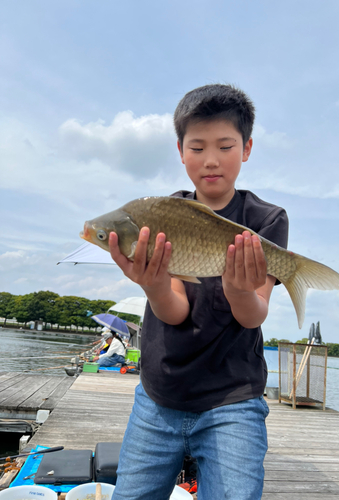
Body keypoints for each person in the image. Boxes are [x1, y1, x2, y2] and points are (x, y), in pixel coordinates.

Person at [109, 84, 289, 500]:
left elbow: (253, 315)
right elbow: (175, 311)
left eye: (225, 146)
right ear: (180, 151)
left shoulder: (266, 219)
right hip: (159, 393)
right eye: (197, 147)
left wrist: (238, 291)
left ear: (246, 149)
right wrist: (153, 285)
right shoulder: (164, 213)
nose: (211, 160)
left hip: (234, 399)